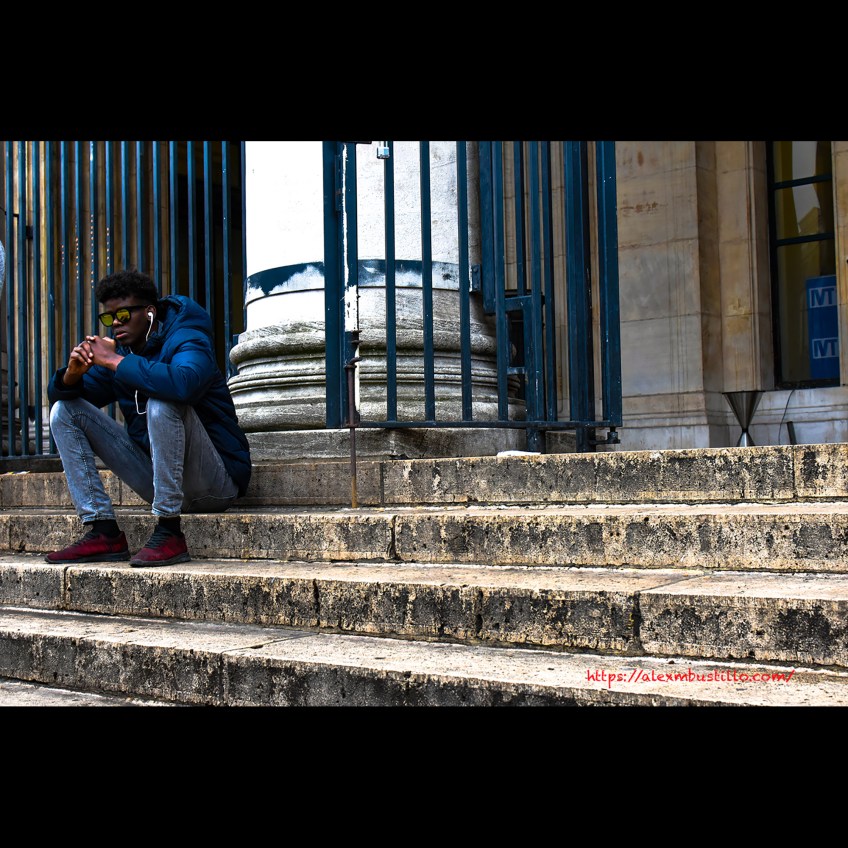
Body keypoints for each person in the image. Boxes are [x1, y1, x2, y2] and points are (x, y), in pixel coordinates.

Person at [45, 268, 251, 566]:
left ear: (150, 312)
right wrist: (71, 376)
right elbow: (73, 401)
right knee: (64, 410)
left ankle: (169, 531)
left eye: (125, 315)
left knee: (162, 401)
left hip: (215, 484)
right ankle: (103, 530)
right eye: (109, 317)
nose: (116, 324)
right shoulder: (125, 354)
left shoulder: (187, 336)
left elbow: (185, 382)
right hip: (158, 478)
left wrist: (114, 361)